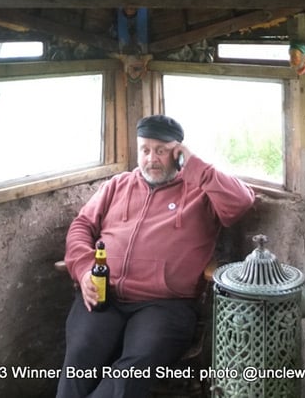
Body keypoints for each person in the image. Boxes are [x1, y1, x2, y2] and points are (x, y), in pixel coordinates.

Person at [56, 115, 254, 398]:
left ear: (179, 153)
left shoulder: (200, 191)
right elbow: (81, 226)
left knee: (132, 369)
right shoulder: (118, 185)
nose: (152, 159)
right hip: (104, 295)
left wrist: (197, 166)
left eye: (161, 151)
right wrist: (85, 269)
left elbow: (241, 202)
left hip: (166, 306)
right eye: (145, 150)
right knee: (80, 357)